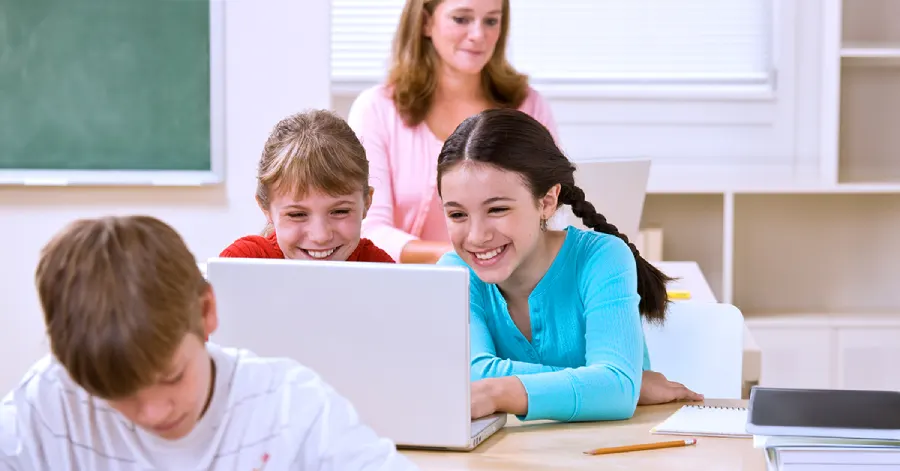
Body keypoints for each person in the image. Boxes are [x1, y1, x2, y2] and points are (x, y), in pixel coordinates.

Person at [0, 215, 418, 470]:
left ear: (206, 313)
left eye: (171, 375)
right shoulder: (49, 405)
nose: (153, 412)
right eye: (119, 395)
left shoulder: (292, 409)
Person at [435, 108, 703, 423]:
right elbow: (473, 375)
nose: (477, 236)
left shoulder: (603, 258)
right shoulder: (454, 272)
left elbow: (482, 384)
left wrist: (497, 392)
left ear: (547, 201)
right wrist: (614, 385)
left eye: (497, 209)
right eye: (457, 214)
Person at [347, 0, 559, 265]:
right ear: (426, 22)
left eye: (491, 20)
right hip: (406, 286)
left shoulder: (528, 105)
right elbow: (369, 229)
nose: (478, 35)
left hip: (507, 290)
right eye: (461, 19)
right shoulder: (376, 110)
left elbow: (548, 215)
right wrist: (467, 258)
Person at [220, 109, 394, 263]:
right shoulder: (243, 263)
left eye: (340, 211)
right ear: (266, 209)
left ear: (367, 202)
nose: (320, 236)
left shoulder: (381, 269)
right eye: (297, 214)